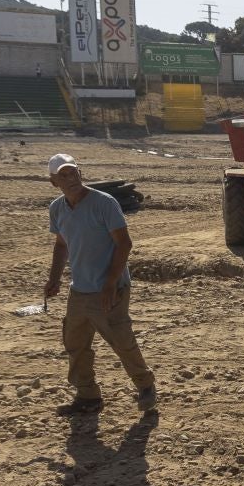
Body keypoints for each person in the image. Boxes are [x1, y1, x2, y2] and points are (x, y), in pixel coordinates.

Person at [44, 153, 157, 415]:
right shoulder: (57, 208)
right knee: (75, 344)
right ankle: (88, 396)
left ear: (80, 173)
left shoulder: (104, 203)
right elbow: (61, 244)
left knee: (121, 341)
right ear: (53, 182)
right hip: (79, 290)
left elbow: (124, 244)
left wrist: (110, 284)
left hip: (110, 289)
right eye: (63, 175)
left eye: (73, 172)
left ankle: (146, 386)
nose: (71, 179)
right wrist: (54, 278)